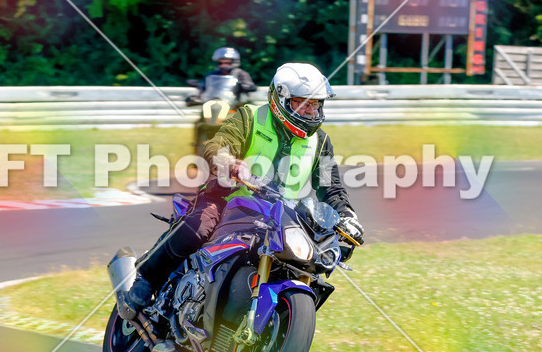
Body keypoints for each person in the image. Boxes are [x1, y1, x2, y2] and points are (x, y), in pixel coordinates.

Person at [120, 62, 364, 320]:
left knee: (310, 258)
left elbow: (331, 186)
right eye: (303, 103)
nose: (312, 111)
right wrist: (229, 162)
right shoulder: (250, 118)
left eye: (316, 104)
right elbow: (218, 144)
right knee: (199, 227)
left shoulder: (320, 141)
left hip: (279, 215)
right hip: (227, 200)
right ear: (281, 99)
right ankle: (146, 280)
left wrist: (347, 216)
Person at [186, 47, 257, 105]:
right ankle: (203, 122)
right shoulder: (212, 74)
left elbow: (249, 85)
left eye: (227, 62)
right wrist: (196, 95)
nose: (224, 64)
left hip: (234, 104)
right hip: (213, 102)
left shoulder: (241, 73)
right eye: (221, 62)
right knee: (203, 115)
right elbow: (203, 86)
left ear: (234, 62)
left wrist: (247, 86)